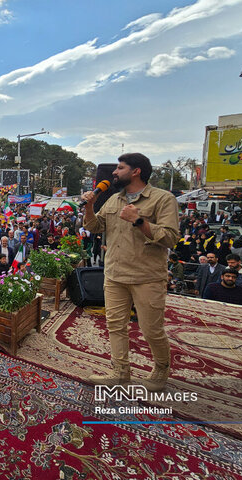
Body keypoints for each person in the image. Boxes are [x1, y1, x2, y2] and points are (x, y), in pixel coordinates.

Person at [81, 153, 179, 391]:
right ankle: (120, 372)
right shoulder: (114, 199)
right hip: (115, 275)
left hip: (146, 277)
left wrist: (139, 221)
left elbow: (170, 238)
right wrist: (91, 206)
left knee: (151, 330)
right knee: (115, 325)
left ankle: (161, 368)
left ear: (136, 171)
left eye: (120, 168)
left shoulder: (163, 199)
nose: (114, 172)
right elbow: (94, 226)